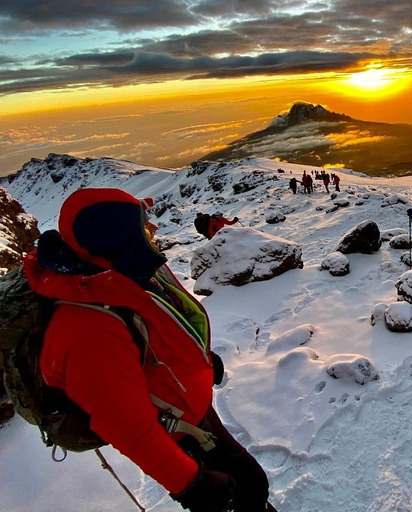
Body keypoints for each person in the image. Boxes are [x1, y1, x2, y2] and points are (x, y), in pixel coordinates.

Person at [23, 188, 275, 511]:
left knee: (254, 485)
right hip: (178, 436)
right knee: (247, 491)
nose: (152, 234)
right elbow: (131, 430)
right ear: (115, 236)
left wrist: (202, 361)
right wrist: (191, 484)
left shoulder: (118, 276)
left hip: (191, 411)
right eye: (142, 229)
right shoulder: (86, 330)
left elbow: (158, 333)